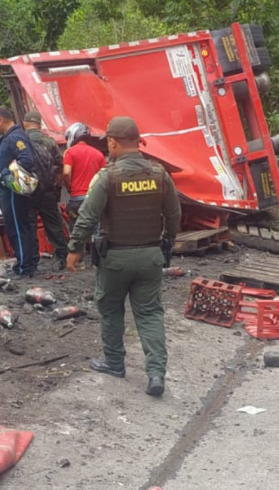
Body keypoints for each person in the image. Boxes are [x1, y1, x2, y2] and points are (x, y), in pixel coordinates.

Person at [66, 116, 181, 397]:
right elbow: (175, 214)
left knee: (111, 309)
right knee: (150, 313)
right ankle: (155, 373)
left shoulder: (108, 177)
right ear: (137, 142)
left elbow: (87, 216)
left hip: (115, 259)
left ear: (113, 142)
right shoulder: (159, 174)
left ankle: (115, 363)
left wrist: (74, 248)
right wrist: (168, 241)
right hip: (151, 255)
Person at [0, 106, 39, 277]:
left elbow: (26, 160)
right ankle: (27, 262)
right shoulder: (10, 137)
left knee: (17, 227)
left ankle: (25, 266)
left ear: (0, 120)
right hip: (10, 190)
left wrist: (5, 175)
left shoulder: (15, 137)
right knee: (21, 226)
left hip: (13, 191)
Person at [22, 111, 68, 270]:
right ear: (40, 124)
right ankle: (62, 256)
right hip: (48, 190)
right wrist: (57, 188)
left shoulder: (21, 141)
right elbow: (59, 167)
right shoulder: (50, 142)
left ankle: (32, 261)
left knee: (30, 226)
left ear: (25, 123)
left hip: (28, 191)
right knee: (54, 224)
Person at [62, 122, 106, 233]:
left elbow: (66, 172)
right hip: (94, 198)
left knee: (77, 232)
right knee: (96, 231)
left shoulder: (70, 153)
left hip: (77, 198)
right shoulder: (98, 154)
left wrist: (69, 187)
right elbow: (104, 175)